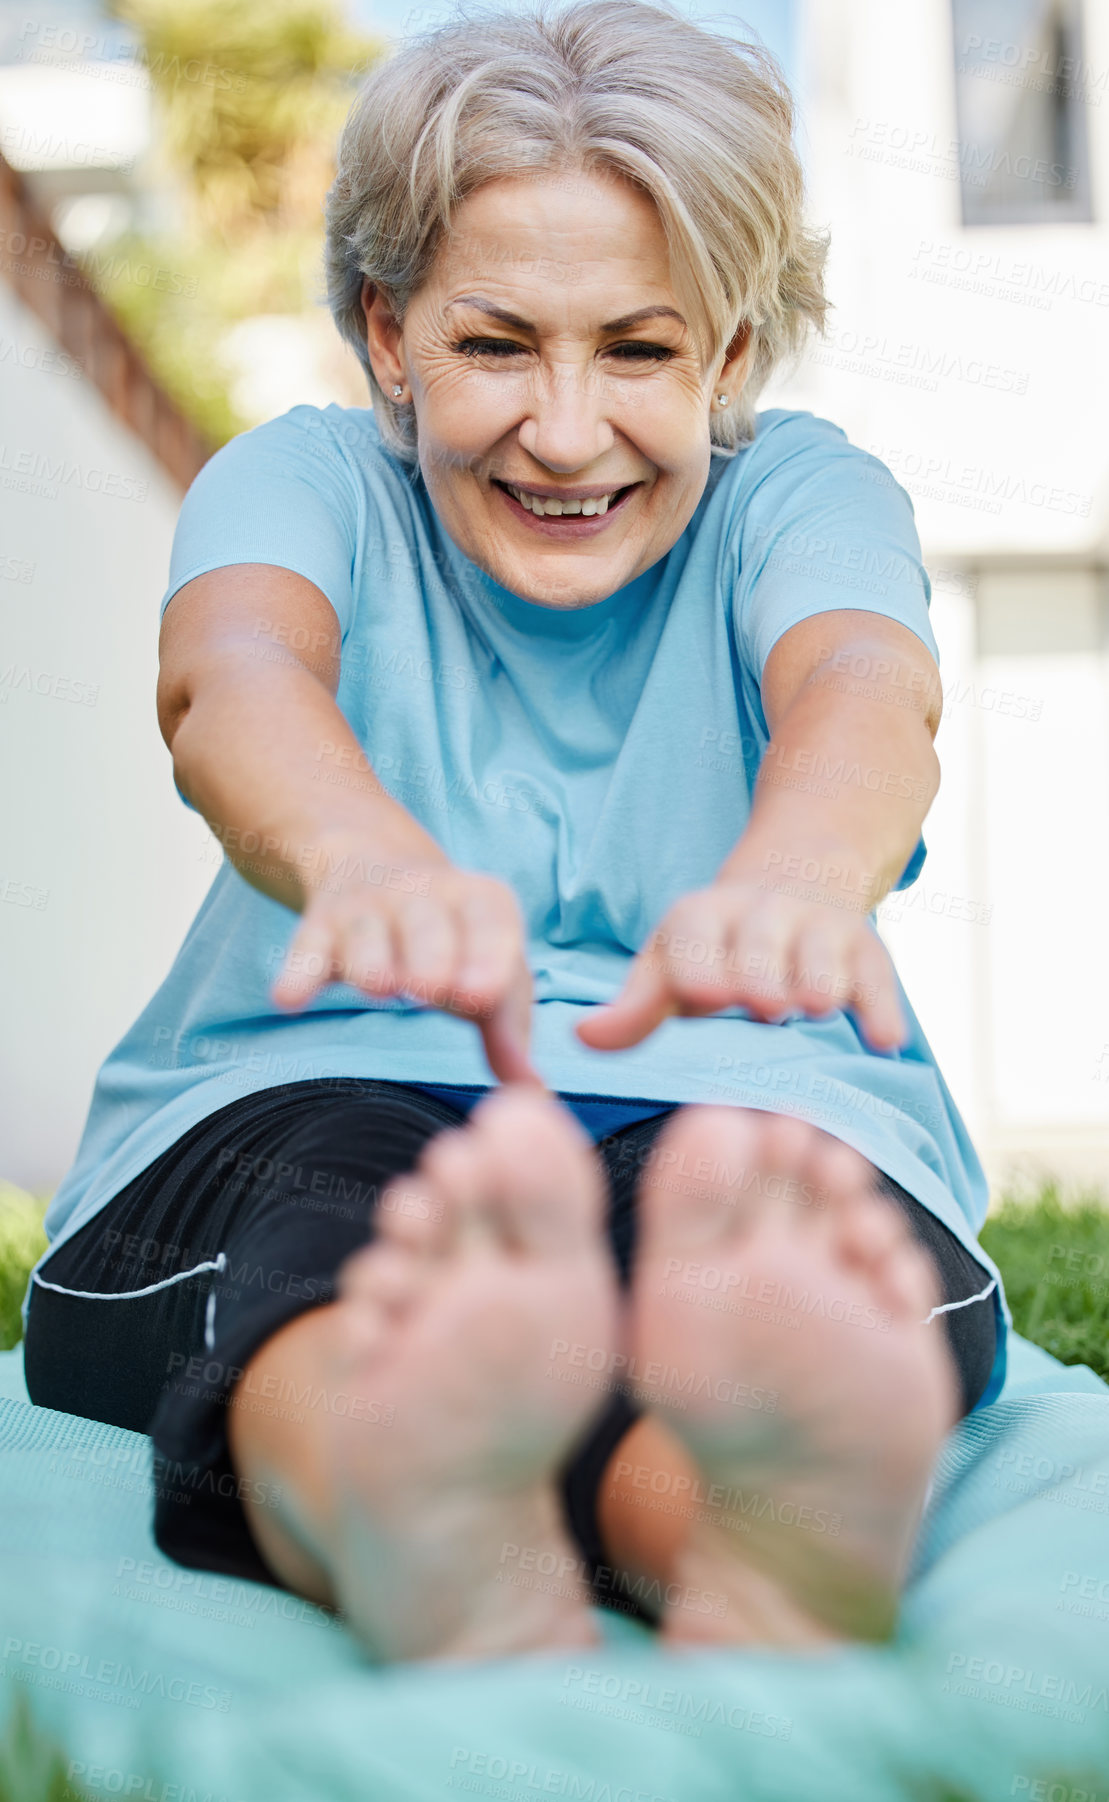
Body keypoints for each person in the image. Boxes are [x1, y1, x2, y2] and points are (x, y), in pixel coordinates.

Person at [23, 0, 1005, 1662]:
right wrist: (361, 857)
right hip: (307, 1085)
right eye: (496, 346)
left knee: (731, 1249)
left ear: (731, 359)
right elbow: (235, 673)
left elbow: (858, 683)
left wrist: (795, 877)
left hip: (747, 1098)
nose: (565, 431)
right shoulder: (306, 481)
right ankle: (401, 1489)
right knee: (347, 1223)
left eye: (637, 348)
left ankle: (737, 1534)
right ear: (389, 333)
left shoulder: (803, 494)